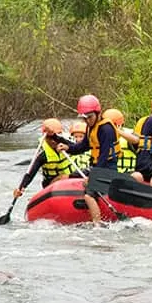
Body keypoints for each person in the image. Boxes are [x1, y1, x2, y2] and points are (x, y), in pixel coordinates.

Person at [58, 94, 121, 224]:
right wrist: (68, 148)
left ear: (98, 113)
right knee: (72, 177)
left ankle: (97, 224)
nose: (87, 121)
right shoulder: (90, 127)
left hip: (108, 169)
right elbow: (84, 146)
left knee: (89, 195)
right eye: (84, 118)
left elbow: (103, 156)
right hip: (98, 167)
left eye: (90, 117)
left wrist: (93, 176)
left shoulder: (106, 129)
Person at [13, 119, 72, 198]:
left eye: (55, 138)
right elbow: (30, 173)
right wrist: (21, 187)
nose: (53, 141)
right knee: (64, 177)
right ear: (44, 137)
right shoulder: (42, 154)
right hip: (51, 185)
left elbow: (81, 148)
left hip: (71, 181)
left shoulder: (68, 145)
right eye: (49, 138)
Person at [103, 108, 136, 174]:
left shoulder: (130, 134)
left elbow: (136, 140)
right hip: (110, 174)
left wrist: (117, 131)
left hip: (128, 174)